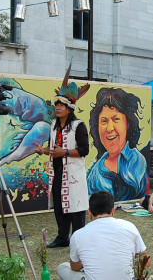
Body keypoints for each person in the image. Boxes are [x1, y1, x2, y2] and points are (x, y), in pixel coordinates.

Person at [34, 79, 90, 248]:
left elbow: (84, 150)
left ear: (69, 108)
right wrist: (44, 151)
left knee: (76, 206)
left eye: (62, 105)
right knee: (59, 206)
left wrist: (64, 152)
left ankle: (78, 239)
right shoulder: (53, 127)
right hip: (57, 171)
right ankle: (62, 238)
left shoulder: (78, 126)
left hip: (73, 174)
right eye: (56, 104)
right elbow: (54, 149)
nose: (57, 107)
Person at [57, 191, 151, 280]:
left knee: (63, 267)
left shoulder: (78, 235)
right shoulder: (129, 226)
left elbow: (74, 267)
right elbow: (147, 262)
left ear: (89, 212)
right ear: (113, 211)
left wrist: (89, 258)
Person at [87, 88, 148, 201]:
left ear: (127, 124)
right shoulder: (94, 174)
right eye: (104, 121)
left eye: (116, 119)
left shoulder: (137, 160)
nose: (109, 128)